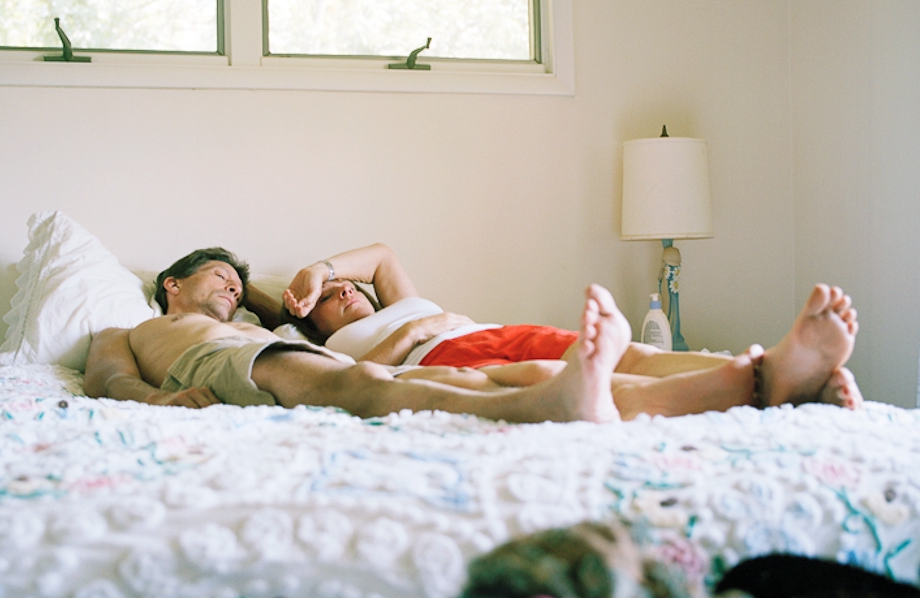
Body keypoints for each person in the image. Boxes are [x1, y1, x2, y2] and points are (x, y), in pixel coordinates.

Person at [275, 243, 863, 416]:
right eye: (329, 297)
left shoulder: (396, 299)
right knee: (568, 378)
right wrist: (412, 334)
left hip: (496, 330)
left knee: (627, 354)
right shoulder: (332, 351)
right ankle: (757, 383)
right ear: (309, 324)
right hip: (439, 359)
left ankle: (776, 371)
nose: (345, 290)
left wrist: (318, 270)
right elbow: (361, 378)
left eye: (347, 285)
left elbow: (379, 254)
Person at [84, 247, 631, 425]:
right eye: (219, 274)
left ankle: (563, 387)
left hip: (261, 352)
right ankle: (545, 403)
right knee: (366, 382)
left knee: (419, 376)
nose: (233, 283)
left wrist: (247, 295)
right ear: (172, 283)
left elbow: (296, 314)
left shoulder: (258, 323)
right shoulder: (127, 329)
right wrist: (161, 398)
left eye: (238, 282)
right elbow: (107, 378)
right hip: (221, 363)